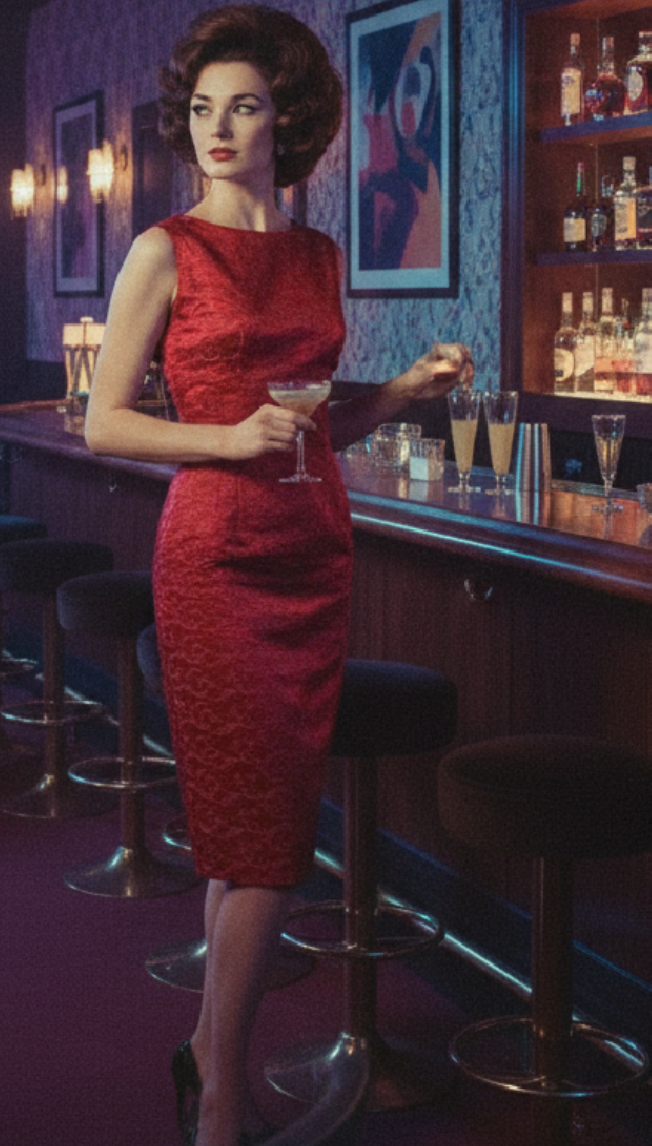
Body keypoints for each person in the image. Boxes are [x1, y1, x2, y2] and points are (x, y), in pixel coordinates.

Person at [84, 8, 473, 1146]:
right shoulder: (166, 248)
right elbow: (110, 423)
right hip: (213, 556)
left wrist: (397, 397)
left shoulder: (315, 256)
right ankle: (218, 1100)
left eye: (243, 105)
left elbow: (307, 425)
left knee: (247, 828)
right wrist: (222, 442)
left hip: (313, 550)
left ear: (287, 118)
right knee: (266, 848)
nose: (218, 126)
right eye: (203, 108)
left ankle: (210, 1057)